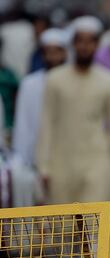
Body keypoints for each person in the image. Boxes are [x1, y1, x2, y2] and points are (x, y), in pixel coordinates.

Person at [36, 16, 110, 204]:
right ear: (73, 44)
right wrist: (43, 167)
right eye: (80, 41)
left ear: (97, 45)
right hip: (61, 163)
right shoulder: (55, 79)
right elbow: (46, 123)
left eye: (90, 42)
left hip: (98, 162)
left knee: (94, 228)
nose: (85, 47)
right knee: (63, 229)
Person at [12, 28, 68, 169]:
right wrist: (20, 158)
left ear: (64, 53)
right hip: (36, 158)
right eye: (49, 52)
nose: (53, 57)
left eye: (57, 52)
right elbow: (23, 124)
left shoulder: (76, 83)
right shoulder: (29, 84)